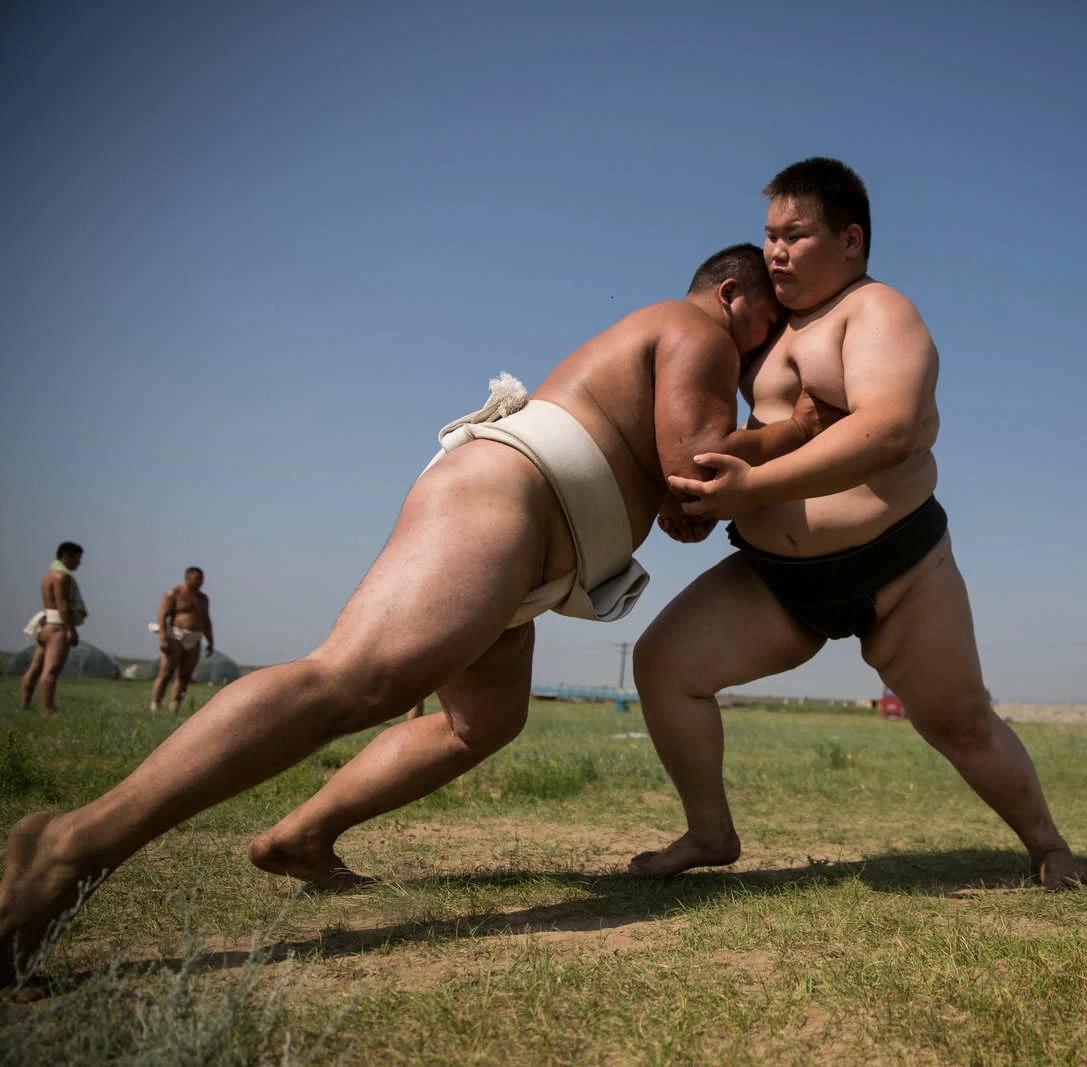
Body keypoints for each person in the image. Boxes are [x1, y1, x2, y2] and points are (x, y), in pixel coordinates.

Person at [1, 243, 814, 985]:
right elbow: (694, 467)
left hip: (536, 555)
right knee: (355, 677)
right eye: (766, 328)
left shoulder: (691, 343)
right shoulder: (697, 325)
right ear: (732, 291)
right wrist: (793, 432)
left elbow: (683, 492)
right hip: (508, 504)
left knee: (481, 721)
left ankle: (302, 835)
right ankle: (70, 847)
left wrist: (694, 493)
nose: (759, 355)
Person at [626, 158, 1086, 890]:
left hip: (901, 571)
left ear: (850, 239)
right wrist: (704, 491)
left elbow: (890, 430)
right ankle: (709, 831)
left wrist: (752, 484)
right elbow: (765, 438)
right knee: (663, 666)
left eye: (795, 235)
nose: (775, 251)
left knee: (959, 722)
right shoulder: (765, 340)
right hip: (778, 581)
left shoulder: (878, 312)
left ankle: (1048, 844)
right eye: (769, 236)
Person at [18, 543, 87, 716]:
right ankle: (49, 710)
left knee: (35, 668)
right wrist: (71, 629)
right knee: (51, 671)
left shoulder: (48, 575)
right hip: (57, 628)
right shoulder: (61, 576)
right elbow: (62, 604)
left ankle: (25, 704)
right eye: (77, 558)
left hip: (46, 625)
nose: (79, 563)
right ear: (66, 556)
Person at [149, 567, 215, 714]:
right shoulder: (174, 594)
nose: (201, 581)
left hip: (195, 638)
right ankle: (155, 704)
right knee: (166, 672)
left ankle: (175, 706)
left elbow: (206, 620)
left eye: (202, 578)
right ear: (187, 578)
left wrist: (210, 641)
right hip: (176, 636)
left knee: (185, 674)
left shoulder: (203, 598)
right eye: (197, 578)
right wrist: (163, 638)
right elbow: (162, 616)